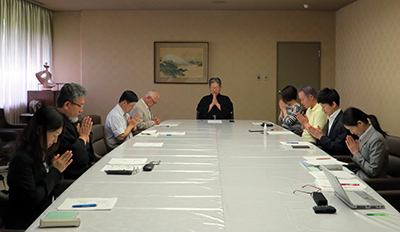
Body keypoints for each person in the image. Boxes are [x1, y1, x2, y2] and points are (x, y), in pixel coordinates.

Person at [5, 106, 73, 229]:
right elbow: (33, 199)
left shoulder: (43, 151)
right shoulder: (21, 159)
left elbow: (50, 186)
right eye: (54, 135)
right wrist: (55, 171)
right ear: (40, 130)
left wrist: (57, 170)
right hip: (30, 221)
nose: (55, 140)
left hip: (46, 212)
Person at [56, 83, 95, 179]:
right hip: (73, 177)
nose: (81, 110)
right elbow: (78, 159)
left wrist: (86, 137)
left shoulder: (71, 120)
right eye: (80, 106)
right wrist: (82, 138)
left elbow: (90, 155)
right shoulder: (57, 124)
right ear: (67, 105)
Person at [342, 107, 389, 179]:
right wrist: (355, 151)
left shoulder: (376, 140)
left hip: (370, 183)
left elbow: (373, 171)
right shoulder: (363, 135)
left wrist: (356, 153)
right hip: (359, 176)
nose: (352, 132)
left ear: (360, 123)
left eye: (351, 129)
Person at [307, 88, 351, 156]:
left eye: (323, 107)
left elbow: (338, 148)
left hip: (339, 158)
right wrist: (320, 136)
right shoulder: (330, 117)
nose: (322, 109)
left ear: (333, 104)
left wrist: (321, 137)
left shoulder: (344, 122)